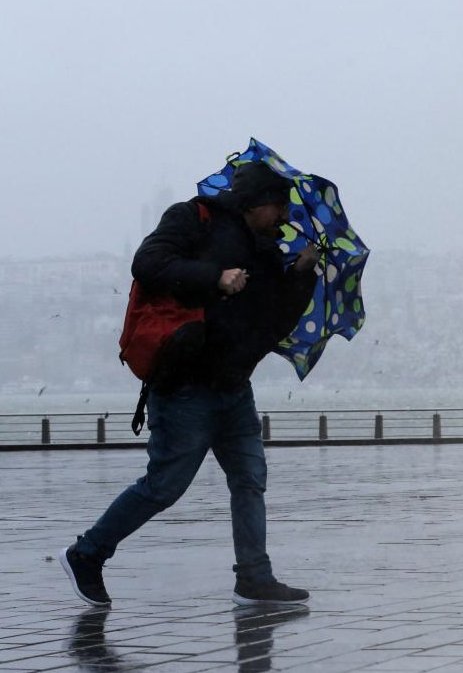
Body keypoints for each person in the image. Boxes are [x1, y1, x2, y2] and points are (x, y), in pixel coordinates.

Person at [60, 162, 319, 607]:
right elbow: (147, 263)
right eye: (279, 206)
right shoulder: (191, 218)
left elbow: (273, 325)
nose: (284, 217)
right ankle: (88, 553)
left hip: (234, 387)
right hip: (185, 385)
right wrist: (214, 278)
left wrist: (299, 275)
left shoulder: (266, 252)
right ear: (257, 202)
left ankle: (254, 578)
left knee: (250, 478)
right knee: (165, 485)